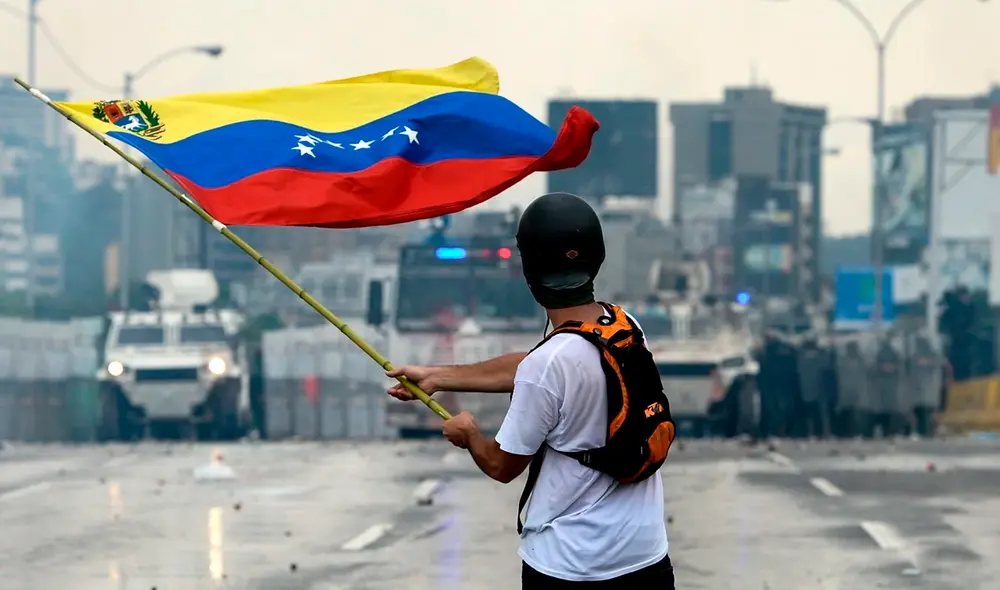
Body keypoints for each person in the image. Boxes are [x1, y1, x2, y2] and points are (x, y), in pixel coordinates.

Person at [387, 192, 674, 588]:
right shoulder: (623, 326)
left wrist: (468, 433)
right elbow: (538, 366)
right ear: (596, 258)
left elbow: (502, 466)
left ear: (530, 271)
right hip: (646, 558)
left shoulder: (548, 366)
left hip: (571, 568)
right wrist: (437, 376)